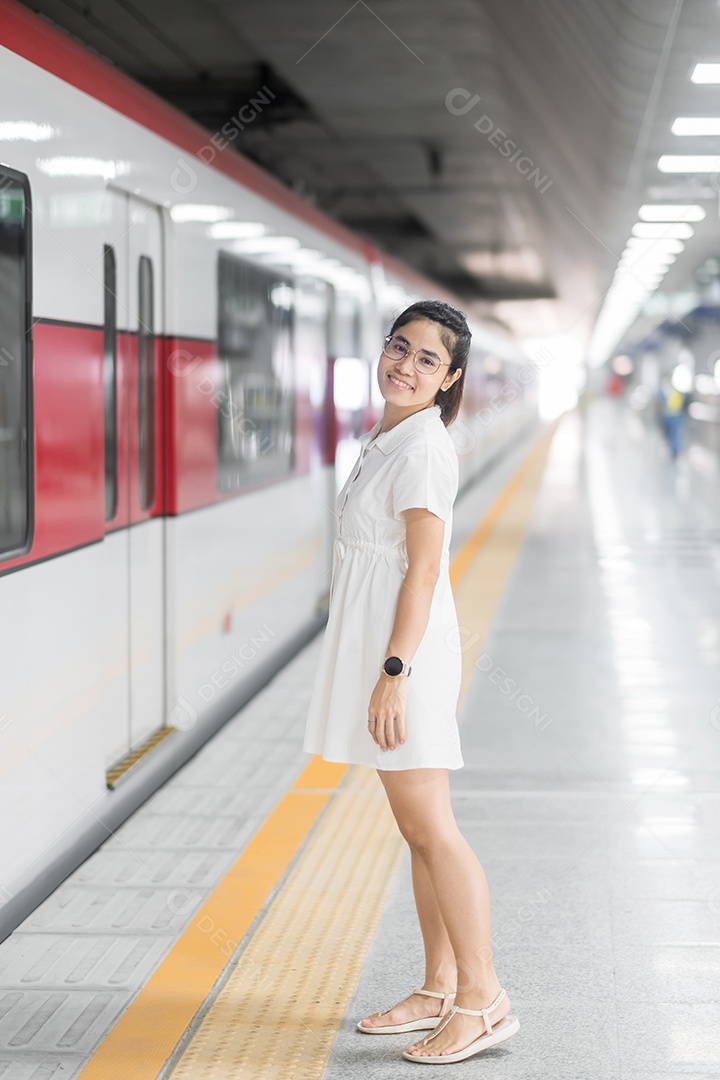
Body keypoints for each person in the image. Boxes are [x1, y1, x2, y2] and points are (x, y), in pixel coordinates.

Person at [302, 300, 520, 1064]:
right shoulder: (389, 436)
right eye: (400, 347)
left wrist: (394, 671)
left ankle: (483, 999)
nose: (407, 364)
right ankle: (437, 987)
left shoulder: (425, 448)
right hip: (385, 650)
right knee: (416, 829)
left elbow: (425, 569)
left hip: (406, 656)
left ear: (452, 378)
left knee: (433, 829)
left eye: (429, 359)